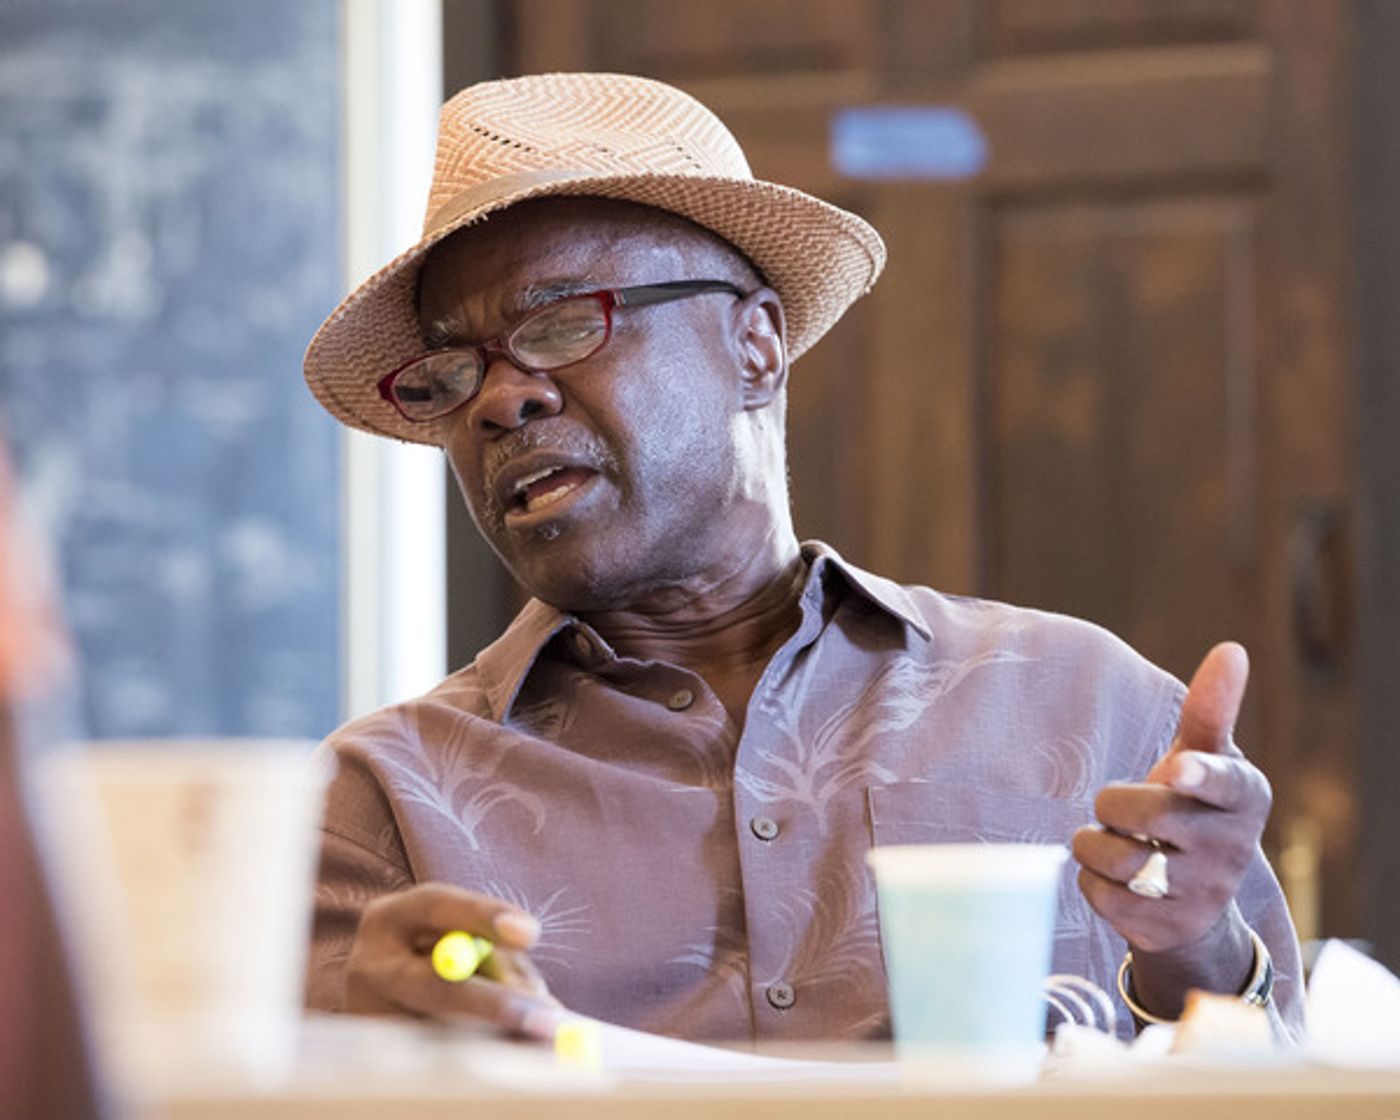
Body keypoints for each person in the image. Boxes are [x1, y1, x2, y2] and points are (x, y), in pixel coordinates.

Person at [302, 72, 1302, 1044]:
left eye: (563, 322)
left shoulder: (1094, 709)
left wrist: (1195, 952)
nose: (496, 400)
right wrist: (356, 1059)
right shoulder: (382, 804)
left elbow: (1290, 1083)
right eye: (448, 373)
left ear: (756, 345)